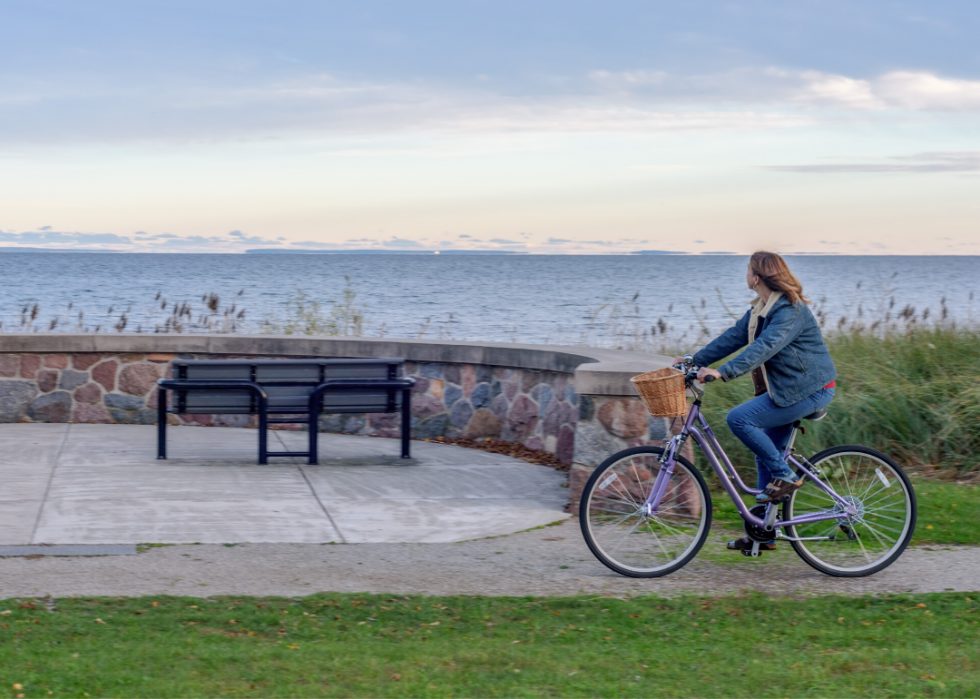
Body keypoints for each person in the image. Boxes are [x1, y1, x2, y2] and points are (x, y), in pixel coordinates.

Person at [674, 251, 837, 551]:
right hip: (786, 390)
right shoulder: (762, 308)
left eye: (748, 270)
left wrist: (723, 372)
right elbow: (733, 337)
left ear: (757, 277)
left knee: (739, 419)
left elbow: (764, 348)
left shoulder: (789, 311)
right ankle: (763, 533)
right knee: (764, 453)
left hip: (810, 390)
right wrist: (692, 361)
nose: (745, 274)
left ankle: (786, 476)